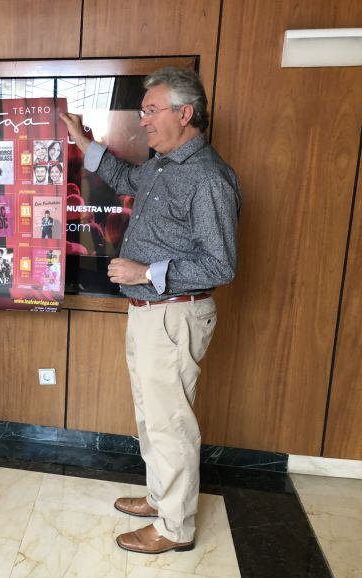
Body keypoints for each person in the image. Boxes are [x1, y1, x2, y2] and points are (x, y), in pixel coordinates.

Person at [61, 67, 241, 555]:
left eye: (151, 110)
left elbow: (221, 264)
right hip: (150, 313)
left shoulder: (208, 178)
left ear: (185, 113)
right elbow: (122, 176)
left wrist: (146, 273)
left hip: (175, 313)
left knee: (170, 422)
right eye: (143, 111)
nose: (143, 121)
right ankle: (162, 499)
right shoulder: (163, 165)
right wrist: (82, 140)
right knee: (152, 415)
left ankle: (175, 527)